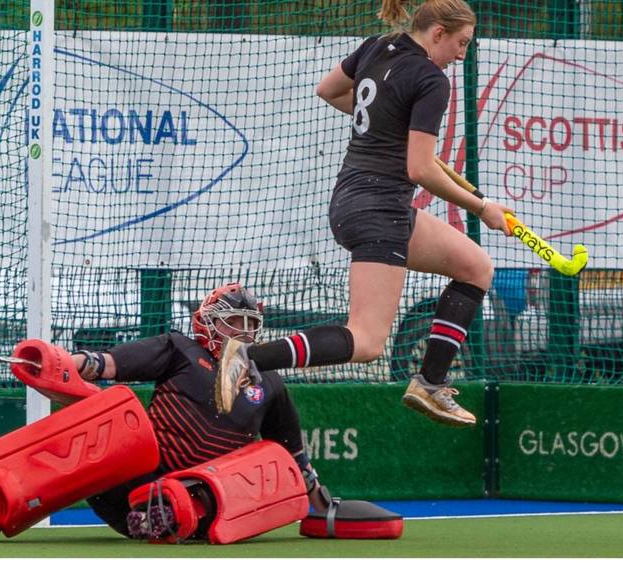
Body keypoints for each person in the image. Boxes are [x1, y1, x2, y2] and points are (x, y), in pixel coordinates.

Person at [214, 0, 512, 427]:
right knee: (367, 341)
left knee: (476, 267)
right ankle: (249, 356)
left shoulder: (377, 46)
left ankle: (430, 383)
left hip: (352, 201)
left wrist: (389, 119)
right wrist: (483, 208)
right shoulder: (430, 79)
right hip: (380, 210)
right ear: (438, 33)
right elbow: (421, 168)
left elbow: (328, 90)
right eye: (461, 43)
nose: (462, 55)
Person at [68, 282, 336, 537]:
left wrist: (326, 510)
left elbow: (294, 456)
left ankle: (168, 514)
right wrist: (65, 364)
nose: (242, 332)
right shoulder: (180, 350)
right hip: (132, 487)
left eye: (250, 323)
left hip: (206, 501)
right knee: (113, 418)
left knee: (261, 461)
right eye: (232, 322)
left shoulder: (269, 382)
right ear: (208, 323)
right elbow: (108, 363)